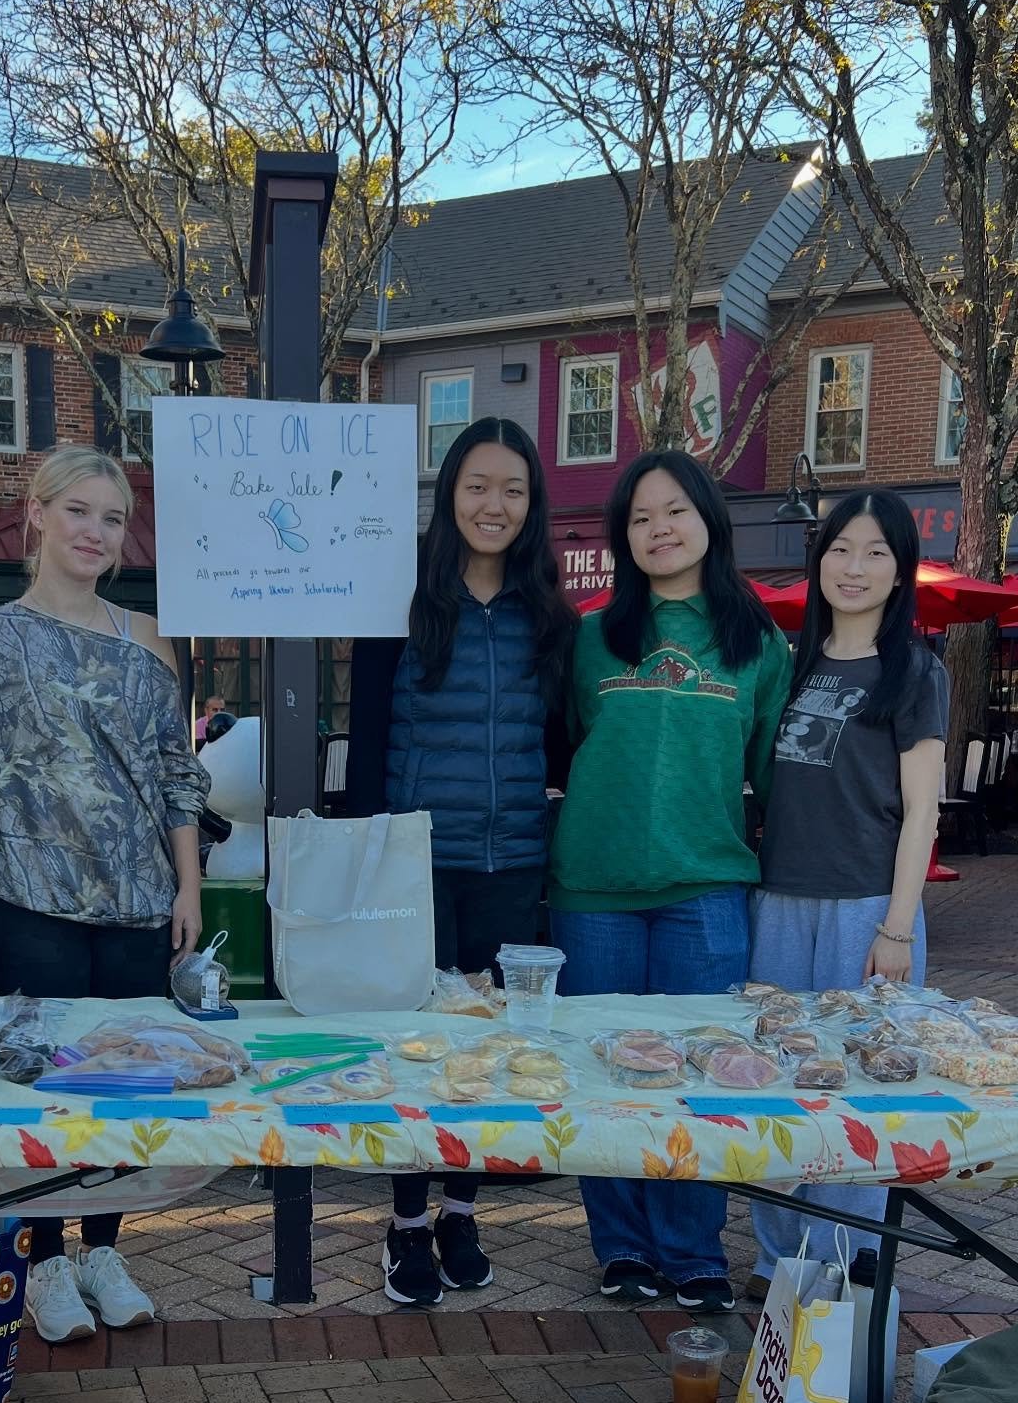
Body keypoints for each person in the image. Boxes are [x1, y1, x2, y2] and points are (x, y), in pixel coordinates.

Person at [0, 446, 209, 1343]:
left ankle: (102, 1247)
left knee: (120, 1087)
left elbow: (172, 768)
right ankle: (42, 1262)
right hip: (28, 893)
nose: (95, 533)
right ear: (37, 513)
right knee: (45, 1089)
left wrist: (188, 884)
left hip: (137, 901)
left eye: (112, 518)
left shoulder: (144, 637)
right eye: (78, 511)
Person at [548, 449, 792, 1314]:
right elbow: (574, 740)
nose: (659, 529)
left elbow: (766, 766)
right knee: (604, 1076)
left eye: (676, 511)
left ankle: (693, 1253)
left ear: (709, 523)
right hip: (593, 892)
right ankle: (622, 1248)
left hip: (707, 889)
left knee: (699, 1075)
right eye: (641, 517)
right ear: (623, 536)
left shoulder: (757, 643)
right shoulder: (591, 637)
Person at [346, 417, 577, 1306]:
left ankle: (462, 1209)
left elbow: (558, 743)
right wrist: (372, 844)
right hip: (415, 862)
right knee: (417, 1046)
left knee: (489, 1042)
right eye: (478, 485)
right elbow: (368, 735)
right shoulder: (400, 600)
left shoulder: (549, 615)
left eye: (513, 490)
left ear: (533, 504)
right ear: (449, 493)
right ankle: (405, 1225)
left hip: (512, 860)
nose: (495, 504)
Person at [746, 490, 947, 1297]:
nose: (853, 567)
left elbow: (924, 809)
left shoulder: (915, 671)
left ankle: (836, 1258)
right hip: (780, 900)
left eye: (874, 552)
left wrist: (897, 929)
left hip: (868, 907)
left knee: (859, 1084)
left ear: (899, 572)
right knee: (779, 1078)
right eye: (839, 549)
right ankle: (778, 1259)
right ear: (818, 558)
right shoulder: (792, 659)